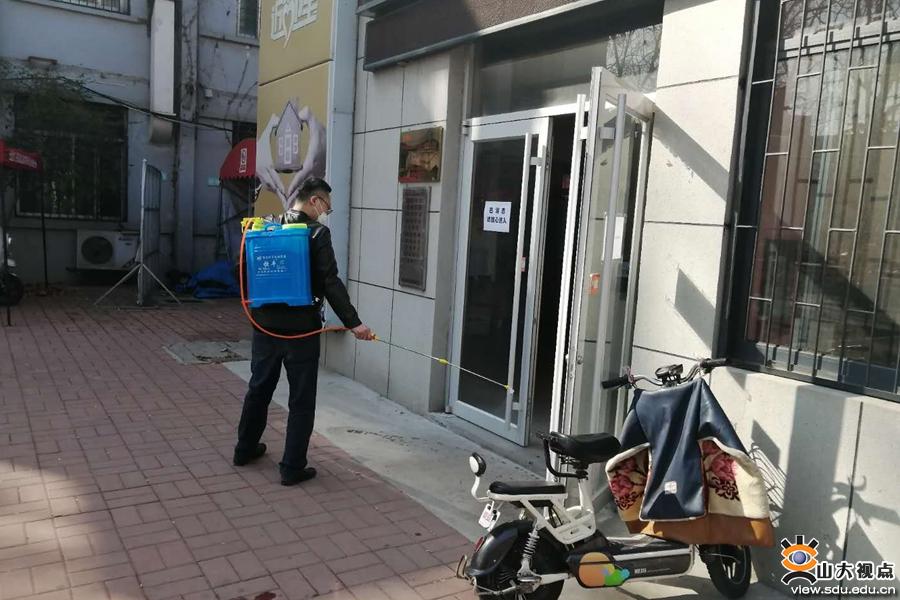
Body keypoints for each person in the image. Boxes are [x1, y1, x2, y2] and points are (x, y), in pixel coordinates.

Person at [234, 177, 374, 486]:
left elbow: (241, 271)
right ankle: (292, 467)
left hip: (265, 326)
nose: (326, 213)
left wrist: (260, 309)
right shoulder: (317, 234)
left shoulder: (264, 226)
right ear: (314, 201)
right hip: (301, 331)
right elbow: (330, 282)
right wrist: (354, 323)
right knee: (301, 399)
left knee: (259, 388)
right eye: (327, 207)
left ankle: (244, 449)